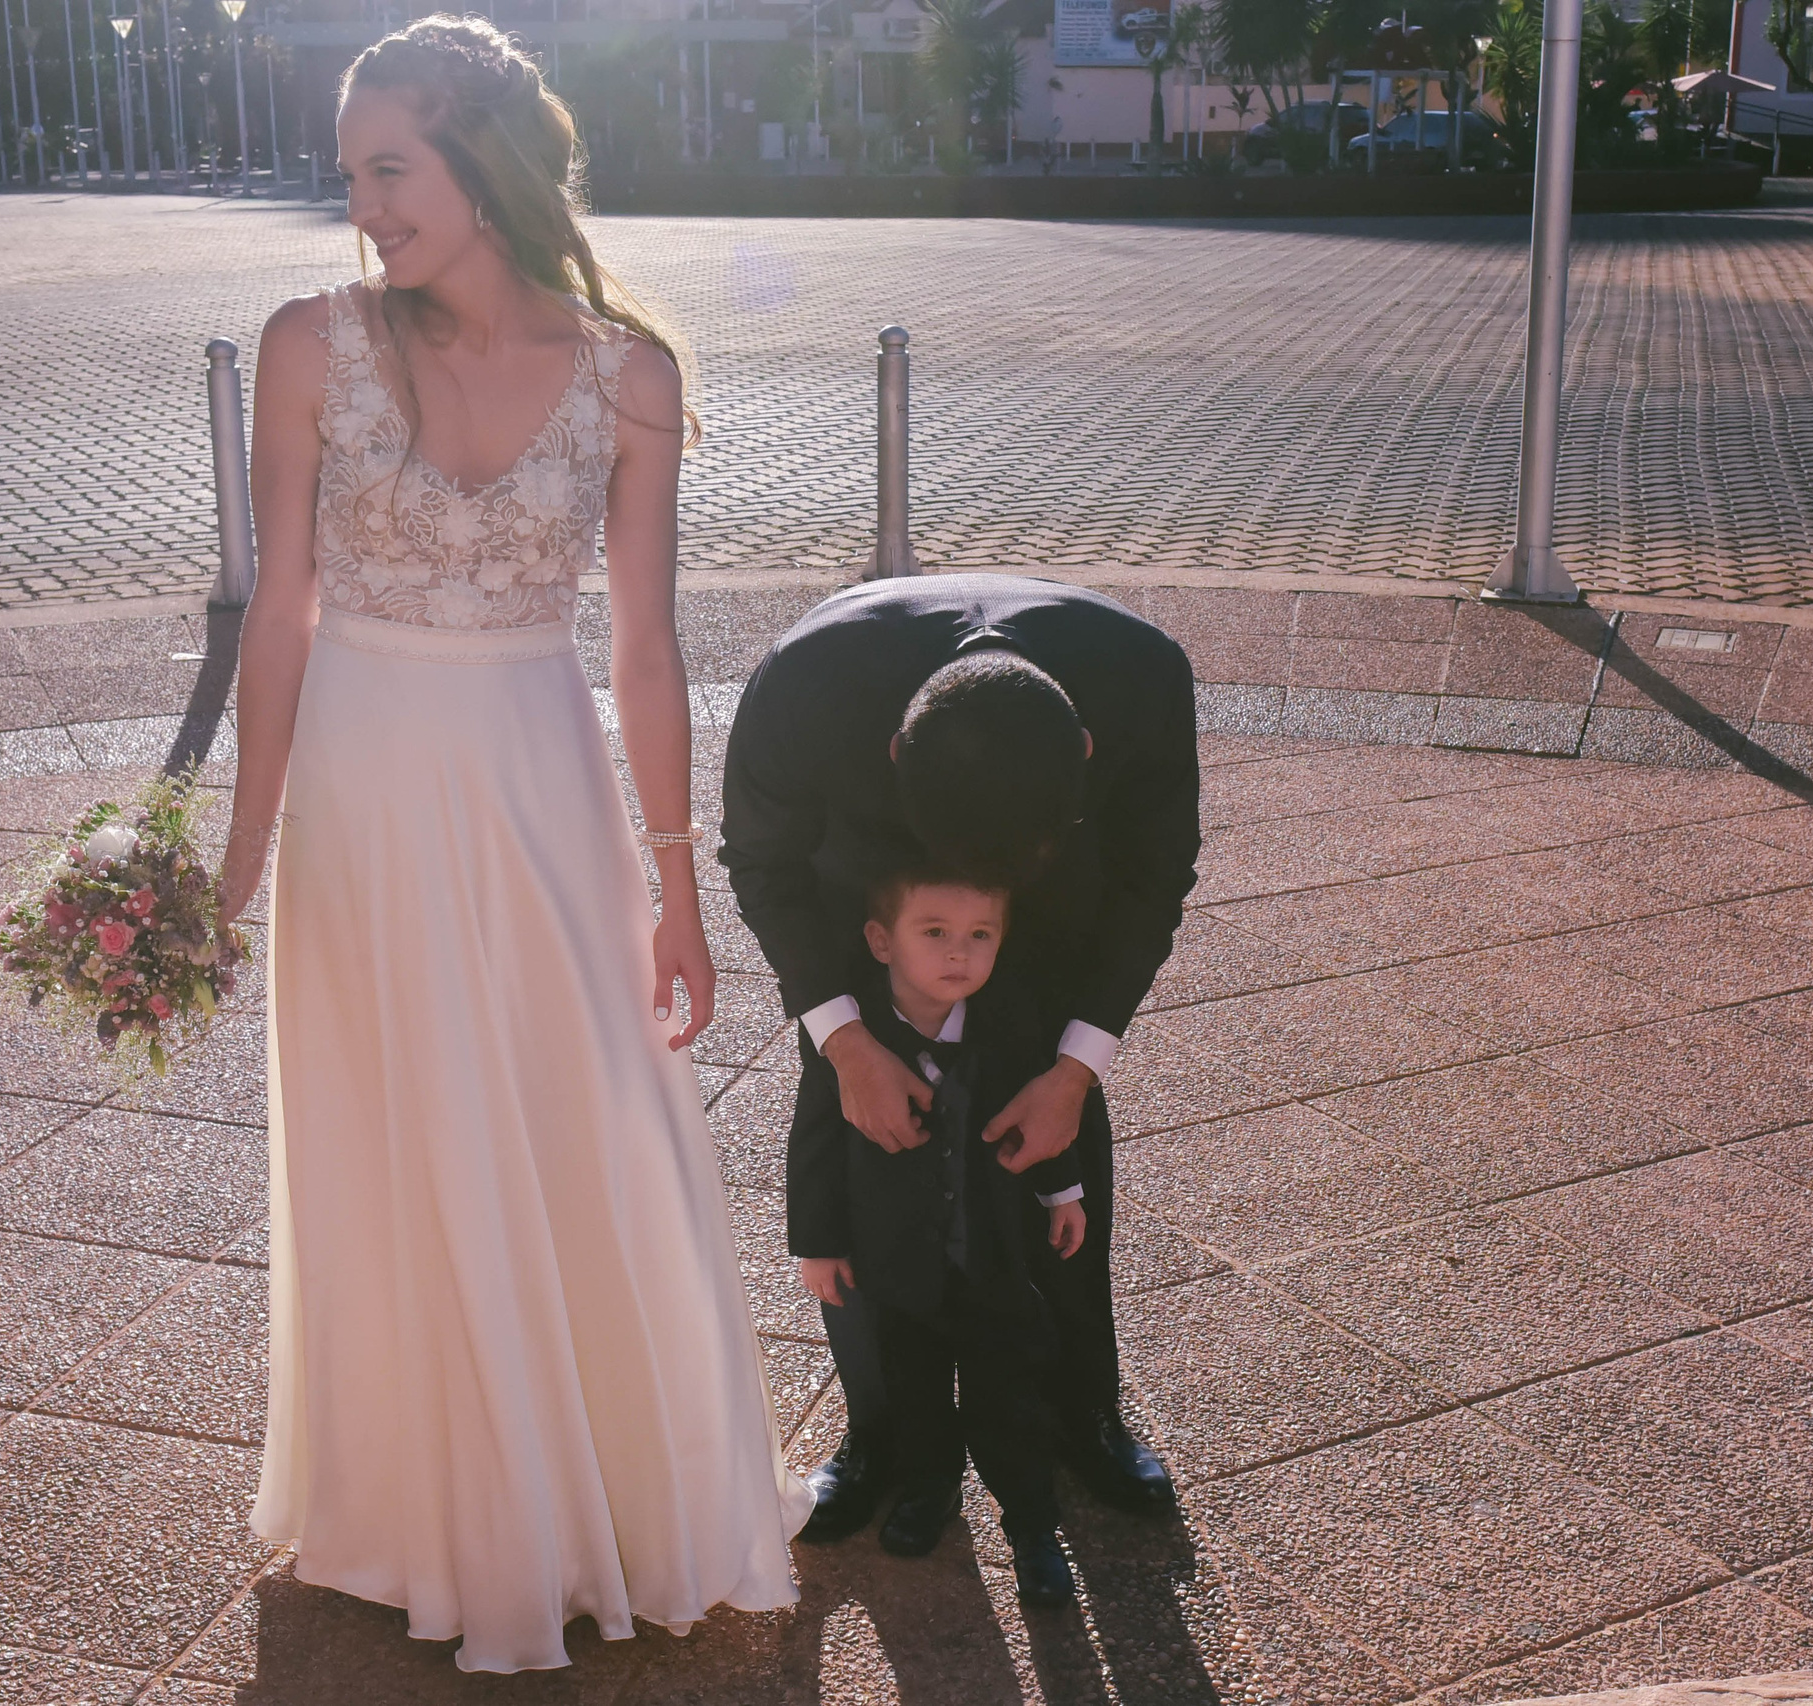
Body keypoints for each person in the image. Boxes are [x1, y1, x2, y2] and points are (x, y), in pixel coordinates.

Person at [213, 18, 807, 1675]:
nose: (362, 207)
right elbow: (282, 609)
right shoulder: (306, 345)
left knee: (576, 1106)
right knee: (393, 1127)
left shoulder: (633, 376)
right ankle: (418, 1517)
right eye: (350, 175)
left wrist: (681, 887)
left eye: (389, 168)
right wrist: (239, 861)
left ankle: (597, 1491)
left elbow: (644, 652)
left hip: (544, 779)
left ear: (481, 158)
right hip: (366, 781)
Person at [722, 574, 1202, 1540]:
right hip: (868, 904)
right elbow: (761, 862)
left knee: (1059, 1136)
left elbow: (1156, 877)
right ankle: (883, 1433)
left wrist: (1073, 1069)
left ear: (1085, 750)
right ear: (895, 753)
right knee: (858, 1142)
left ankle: (1082, 1412)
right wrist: (847, 1041)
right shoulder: (805, 685)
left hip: (1065, 901)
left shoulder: (1144, 680)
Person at [791, 868, 1088, 1605]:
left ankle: (1031, 1526)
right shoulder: (850, 1046)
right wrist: (819, 1244)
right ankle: (929, 1493)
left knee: (1008, 1396)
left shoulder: (1007, 1023)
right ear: (880, 941)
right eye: (936, 934)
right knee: (914, 1391)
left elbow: (1043, 1115)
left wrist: (1064, 1191)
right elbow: (816, 1145)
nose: (960, 954)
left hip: (989, 1259)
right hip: (898, 1265)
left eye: (979, 936)